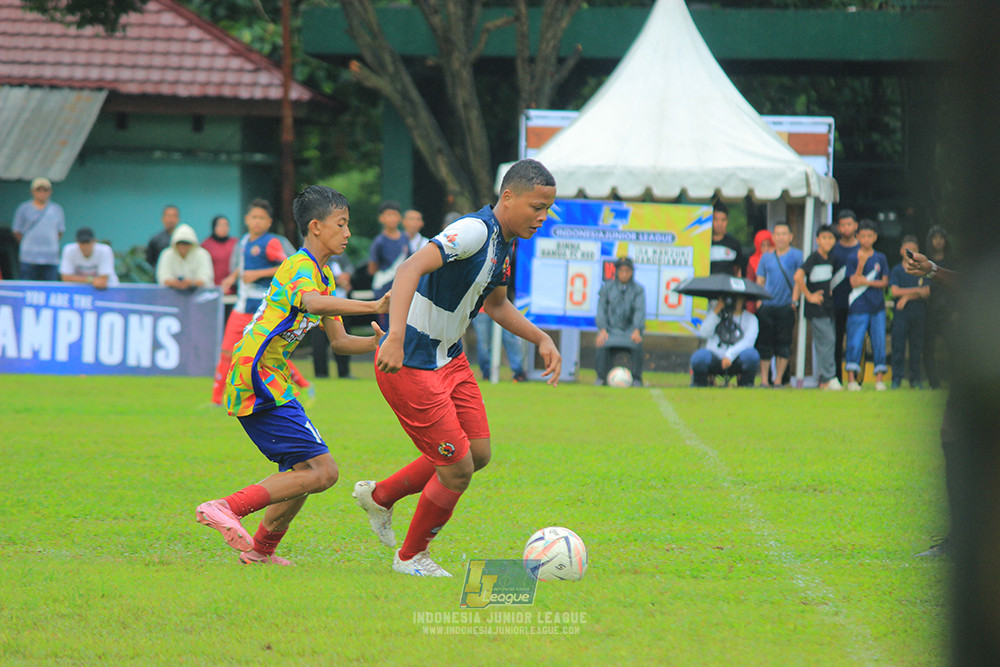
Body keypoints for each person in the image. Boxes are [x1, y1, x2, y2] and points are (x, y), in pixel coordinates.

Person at [354, 158, 562, 577]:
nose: (542, 217)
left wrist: (541, 337)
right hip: (411, 360)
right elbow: (409, 267)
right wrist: (394, 336)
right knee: (457, 470)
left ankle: (380, 496)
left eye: (547, 209)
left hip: (449, 359)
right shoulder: (474, 231)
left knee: (478, 453)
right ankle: (410, 558)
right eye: (537, 207)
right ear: (508, 197)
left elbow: (497, 304)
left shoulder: (505, 243)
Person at [194, 185, 390, 566]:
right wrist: (373, 304)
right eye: (341, 224)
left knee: (305, 470)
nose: (348, 233)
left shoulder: (324, 276)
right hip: (257, 373)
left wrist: (380, 344)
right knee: (323, 471)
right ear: (315, 227)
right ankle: (223, 507)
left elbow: (341, 342)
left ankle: (260, 552)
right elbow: (310, 303)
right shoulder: (299, 266)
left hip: (272, 376)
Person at [211, 200, 311, 406]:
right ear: (247, 220)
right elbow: (243, 267)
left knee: (267, 354)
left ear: (269, 222)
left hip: (261, 308)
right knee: (227, 352)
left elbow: (288, 266)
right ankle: (215, 401)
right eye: (253, 217)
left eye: (261, 218)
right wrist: (233, 277)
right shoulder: (244, 241)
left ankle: (303, 385)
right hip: (241, 307)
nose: (257, 222)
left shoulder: (271, 242)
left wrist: (257, 274)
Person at [754, 221, 802, 387]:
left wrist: (794, 300)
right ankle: (764, 379)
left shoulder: (797, 255)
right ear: (773, 237)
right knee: (765, 343)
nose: (781, 237)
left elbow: (798, 280)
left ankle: (778, 379)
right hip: (767, 306)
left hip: (786, 306)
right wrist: (759, 301)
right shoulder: (766, 257)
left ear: (790, 237)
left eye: (784, 234)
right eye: (778, 234)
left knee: (784, 343)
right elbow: (760, 279)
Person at [843, 219, 889, 391]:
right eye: (863, 236)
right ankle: (851, 380)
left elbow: (884, 282)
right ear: (858, 237)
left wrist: (866, 282)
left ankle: (879, 379)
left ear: (875, 237)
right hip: (858, 306)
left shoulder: (881, 258)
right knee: (854, 341)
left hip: (877, 306)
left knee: (879, 341)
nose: (866, 239)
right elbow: (853, 282)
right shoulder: (852, 257)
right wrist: (861, 264)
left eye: (870, 236)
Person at [794, 225, 841, 390]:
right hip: (816, 309)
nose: (827, 241)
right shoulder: (814, 257)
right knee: (828, 340)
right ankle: (829, 377)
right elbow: (798, 276)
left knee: (827, 341)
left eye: (830, 238)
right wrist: (808, 296)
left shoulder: (831, 258)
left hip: (827, 307)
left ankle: (825, 380)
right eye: (824, 238)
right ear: (817, 240)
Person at [594, 256, 645, 387]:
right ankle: (601, 377)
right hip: (611, 330)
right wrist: (603, 329)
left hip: (629, 330)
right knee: (601, 342)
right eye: (621, 270)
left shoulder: (638, 290)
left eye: (627, 271)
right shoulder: (607, 288)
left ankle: (637, 378)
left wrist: (637, 329)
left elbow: (639, 311)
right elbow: (601, 310)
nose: (624, 274)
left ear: (632, 272)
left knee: (637, 343)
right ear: (616, 271)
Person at [690, 296, 760, 387]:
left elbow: (748, 342)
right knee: (699, 357)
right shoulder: (716, 314)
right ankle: (700, 384)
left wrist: (730, 355)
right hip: (715, 356)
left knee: (752, 356)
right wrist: (717, 311)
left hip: (736, 358)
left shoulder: (751, 319)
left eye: (736, 299)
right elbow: (703, 333)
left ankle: (745, 384)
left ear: (743, 300)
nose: (732, 301)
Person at [889, 235, 930, 389]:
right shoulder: (897, 270)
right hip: (901, 315)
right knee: (898, 347)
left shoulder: (922, 270)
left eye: (914, 250)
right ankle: (896, 379)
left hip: (918, 313)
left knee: (916, 348)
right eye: (908, 250)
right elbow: (894, 291)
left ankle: (915, 380)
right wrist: (916, 292)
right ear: (901, 251)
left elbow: (926, 291)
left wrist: (906, 297)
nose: (911, 253)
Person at [312, 252, 355, 380]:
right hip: (321, 304)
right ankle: (321, 373)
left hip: (341, 303)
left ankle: (344, 372)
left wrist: (346, 277)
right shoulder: (316, 255)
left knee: (343, 337)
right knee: (319, 341)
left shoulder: (340, 255)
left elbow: (349, 267)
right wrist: (338, 281)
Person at [12, 177, 65, 281]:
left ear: (50, 192)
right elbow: (17, 231)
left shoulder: (57, 209)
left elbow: (60, 231)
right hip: (29, 258)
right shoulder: (24, 209)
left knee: (49, 288)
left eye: (45, 190)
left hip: (50, 258)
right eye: (38, 190)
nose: (42, 193)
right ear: (32, 191)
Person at [367, 200, 409, 331]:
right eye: (388, 215)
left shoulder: (406, 239)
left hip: (403, 289)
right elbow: (372, 268)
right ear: (381, 218)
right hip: (384, 291)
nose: (392, 218)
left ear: (400, 218)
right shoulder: (379, 242)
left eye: (395, 215)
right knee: (386, 328)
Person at [830, 209, 860, 383]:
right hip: (837, 302)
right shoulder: (833, 249)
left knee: (856, 341)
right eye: (843, 225)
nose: (846, 228)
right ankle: (836, 378)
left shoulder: (862, 248)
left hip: (858, 303)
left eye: (849, 224)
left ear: (855, 226)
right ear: (839, 227)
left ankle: (856, 378)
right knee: (836, 341)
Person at [922, 225, 954, 389]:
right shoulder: (924, 262)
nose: (938, 241)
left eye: (941, 238)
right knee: (928, 348)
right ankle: (934, 383)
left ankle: (956, 381)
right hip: (929, 310)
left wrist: (956, 310)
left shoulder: (951, 261)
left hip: (949, 311)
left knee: (954, 347)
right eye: (935, 238)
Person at [471, 308, 526, 382]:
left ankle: (519, 374)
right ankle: (487, 374)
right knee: (484, 344)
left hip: (504, 307)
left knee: (511, 340)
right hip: (481, 309)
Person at [155, 223, 214, 290]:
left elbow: (206, 277)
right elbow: (163, 277)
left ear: (192, 243)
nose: (183, 246)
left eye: (186, 243)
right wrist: (175, 283)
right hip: (171, 296)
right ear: (175, 243)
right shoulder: (166, 255)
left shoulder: (203, 255)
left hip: (200, 296)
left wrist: (192, 283)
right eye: (180, 243)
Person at [202, 215, 238, 290]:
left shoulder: (235, 243)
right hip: (213, 288)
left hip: (233, 288)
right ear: (214, 227)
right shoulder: (206, 245)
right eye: (220, 225)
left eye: (226, 225)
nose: (224, 228)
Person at [709, 201, 744, 276]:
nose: (719, 224)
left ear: (727, 221)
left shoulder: (734, 244)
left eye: (723, 220)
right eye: (716, 220)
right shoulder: (704, 243)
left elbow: (737, 269)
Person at [744, 229, 773, 314]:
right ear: (757, 245)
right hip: (758, 304)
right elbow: (750, 285)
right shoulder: (753, 261)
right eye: (763, 245)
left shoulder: (777, 259)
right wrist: (751, 309)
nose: (766, 248)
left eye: (769, 245)